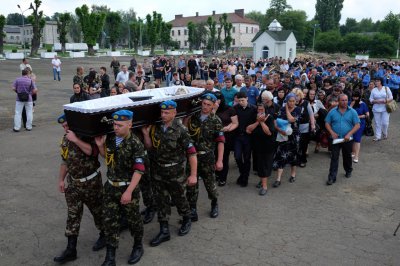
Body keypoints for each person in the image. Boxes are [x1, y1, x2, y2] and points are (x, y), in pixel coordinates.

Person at [141, 100, 197, 247]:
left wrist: (193, 175)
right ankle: (164, 230)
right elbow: (150, 147)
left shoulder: (181, 130)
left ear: (174, 113)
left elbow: (191, 153)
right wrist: (146, 134)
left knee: (179, 198)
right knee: (161, 201)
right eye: (162, 112)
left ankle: (186, 218)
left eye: (167, 113)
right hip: (158, 172)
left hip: (175, 173)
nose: (163, 115)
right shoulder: (157, 127)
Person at [95, 110, 146, 265]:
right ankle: (110, 257)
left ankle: (138, 245)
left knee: (133, 220)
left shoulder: (135, 143)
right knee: (110, 221)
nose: (115, 128)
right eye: (114, 124)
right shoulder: (111, 139)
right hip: (110, 187)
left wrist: (129, 192)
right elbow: (109, 159)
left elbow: (139, 170)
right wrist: (100, 146)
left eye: (119, 125)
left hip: (127, 188)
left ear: (129, 125)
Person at [54, 114, 106, 263]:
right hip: (74, 184)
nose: (65, 129)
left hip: (91, 182)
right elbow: (65, 161)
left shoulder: (85, 136)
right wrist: (61, 180)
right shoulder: (65, 140)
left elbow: (93, 152)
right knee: (73, 215)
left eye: (67, 126)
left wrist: (75, 139)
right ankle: (71, 249)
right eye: (63, 127)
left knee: (98, 211)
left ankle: (104, 235)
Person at [185, 93, 224, 220]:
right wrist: (187, 117)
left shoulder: (216, 120)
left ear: (213, 106)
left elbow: (220, 142)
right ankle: (192, 209)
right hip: (192, 157)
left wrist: (219, 161)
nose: (205, 107)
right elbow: (185, 131)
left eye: (208, 105)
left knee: (209, 183)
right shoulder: (194, 117)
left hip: (207, 156)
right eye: (204, 104)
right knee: (191, 184)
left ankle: (214, 203)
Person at [325, 94, 360, 185]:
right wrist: (332, 132)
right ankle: (332, 177)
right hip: (335, 139)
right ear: (338, 101)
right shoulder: (332, 111)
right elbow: (327, 123)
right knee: (334, 157)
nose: (345, 102)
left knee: (347, 156)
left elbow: (357, 125)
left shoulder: (352, 112)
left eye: (346, 100)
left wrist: (349, 134)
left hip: (347, 139)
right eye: (342, 100)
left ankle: (348, 170)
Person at [246, 103, 275, 196]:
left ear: (265, 110)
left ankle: (264, 187)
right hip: (257, 146)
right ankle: (262, 181)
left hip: (267, 146)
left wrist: (262, 122)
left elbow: (269, 133)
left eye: (262, 110)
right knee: (260, 166)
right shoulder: (254, 117)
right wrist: (258, 122)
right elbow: (248, 130)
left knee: (265, 166)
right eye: (258, 109)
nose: (260, 111)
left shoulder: (270, 118)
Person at [272, 93, 301, 187]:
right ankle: (278, 179)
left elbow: (291, 119)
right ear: (286, 101)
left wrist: (287, 109)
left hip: (294, 136)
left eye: (293, 101)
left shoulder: (298, 109)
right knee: (281, 155)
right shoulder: (281, 109)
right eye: (290, 101)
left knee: (293, 156)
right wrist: (280, 130)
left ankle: (293, 174)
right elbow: (277, 121)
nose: (292, 103)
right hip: (283, 135)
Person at [233, 91, 257, 187]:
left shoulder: (253, 109)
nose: (241, 102)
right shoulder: (235, 108)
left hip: (248, 137)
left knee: (247, 158)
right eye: (239, 101)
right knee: (237, 157)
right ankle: (243, 174)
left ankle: (245, 178)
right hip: (238, 136)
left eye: (242, 100)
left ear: (247, 98)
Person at [214, 92, 238, 186]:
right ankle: (216, 173)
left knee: (223, 158)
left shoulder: (229, 109)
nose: (216, 102)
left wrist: (228, 128)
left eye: (218, 100)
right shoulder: (211, 109)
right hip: (213, 137)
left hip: (226, 137)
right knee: (214, 157)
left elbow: (235, 123)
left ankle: (222, 178)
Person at [350, 90, 369, 163]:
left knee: (357, 139)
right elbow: (346, 112)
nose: (355, 99)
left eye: (356, 97)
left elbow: (367, 114)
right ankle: (353, 152)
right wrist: (351, 106)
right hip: (351, 123)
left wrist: (360, 116)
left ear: (359, 97)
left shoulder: (363, 104)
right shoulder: (349, 103)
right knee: (352, 138)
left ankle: (356, 156)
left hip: (360, 124)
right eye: (353, 97)